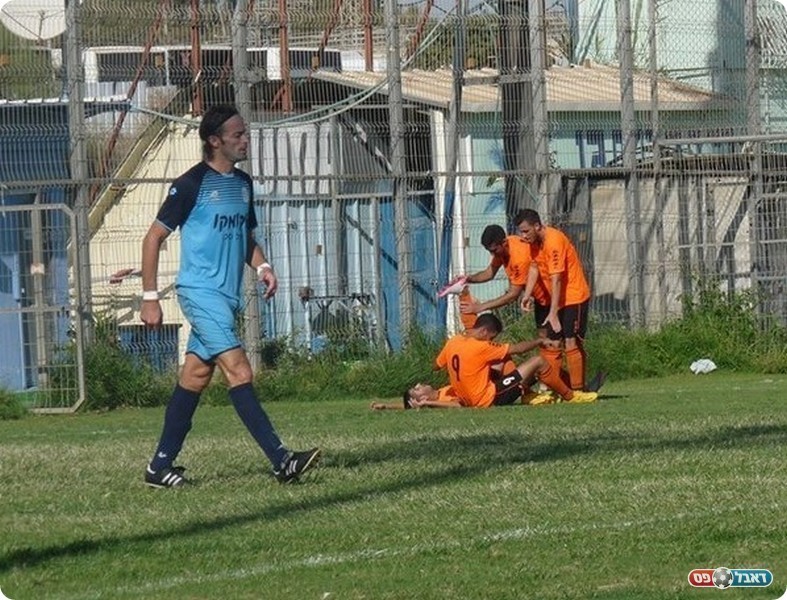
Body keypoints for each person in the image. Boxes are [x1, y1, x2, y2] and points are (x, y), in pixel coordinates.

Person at [140, 104, 321, 488]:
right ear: (214, 140)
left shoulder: (243, 184)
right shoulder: (190, 184)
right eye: (237, 135)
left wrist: (263, 267)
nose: (245, 140)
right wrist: (150, 297)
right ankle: (282, 460)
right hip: (199, 293)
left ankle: (159, 468)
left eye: (245, 133)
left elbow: (244, 238)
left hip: (226, 297)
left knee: (195, 376)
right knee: (240, 370)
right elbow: (153, 238)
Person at [515, 208, 599, 393]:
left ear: (537, 226)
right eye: (521, 231)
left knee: (570, 341)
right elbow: (534, 268)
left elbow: (557, 279)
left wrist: (553, 312)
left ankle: (577, 391)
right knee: (552, 343)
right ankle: (556, 389)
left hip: (573, 297)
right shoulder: (534, 243)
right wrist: (527, 294)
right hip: (557, 299)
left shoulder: (554, 241)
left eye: (526, 231)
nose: (523, 235)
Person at [434, 313, 597, 407]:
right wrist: (539, 341)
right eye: (492, 337)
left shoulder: (453, 341)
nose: (491, 340)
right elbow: (518, 349)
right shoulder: (480, 346)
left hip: (468, 399)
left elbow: (436, 365)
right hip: (488, 399)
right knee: (538, 362)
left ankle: (527, 394)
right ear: (484, 331)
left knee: (503, 357)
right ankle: (571, 396)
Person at [456, 225, 551, 337]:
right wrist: (468, 279)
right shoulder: (502, 250)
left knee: (564, 339)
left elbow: (513, 295)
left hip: (553, 296)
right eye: (489, 251)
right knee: (545, 339)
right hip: (542, 300)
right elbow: (489, 273)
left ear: (504, 242)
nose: (492, 254)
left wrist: (480, 307)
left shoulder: (519, 258)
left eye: (494, 250)